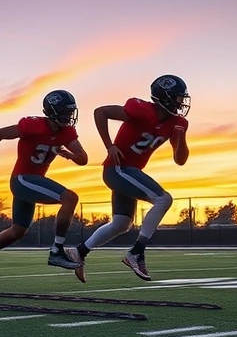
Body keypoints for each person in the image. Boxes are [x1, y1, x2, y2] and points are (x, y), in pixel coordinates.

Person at [68, 74, 190, 282]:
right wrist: (110, 146)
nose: (181, 104)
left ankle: (79, 251)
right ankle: (136, 252)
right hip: (118, 169)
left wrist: (180, 139)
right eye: (178, 98)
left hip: (128, 173)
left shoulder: (178, 123)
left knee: (122, 224)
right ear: (166, 97)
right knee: (163, 199)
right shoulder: (141, 110)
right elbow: (101, 112)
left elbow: (180, 160)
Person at [0, 90, 88, 282]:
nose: (69, 116)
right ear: (52, 111)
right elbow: (0, 133)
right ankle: (57, 250)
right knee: (70, 197)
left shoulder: (66, 132)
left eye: (70, 112)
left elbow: (83, 159)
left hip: (30, 182)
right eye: (65, 112)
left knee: (18, 230)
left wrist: (69, 154)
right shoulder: (33, 125)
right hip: (23, 179)